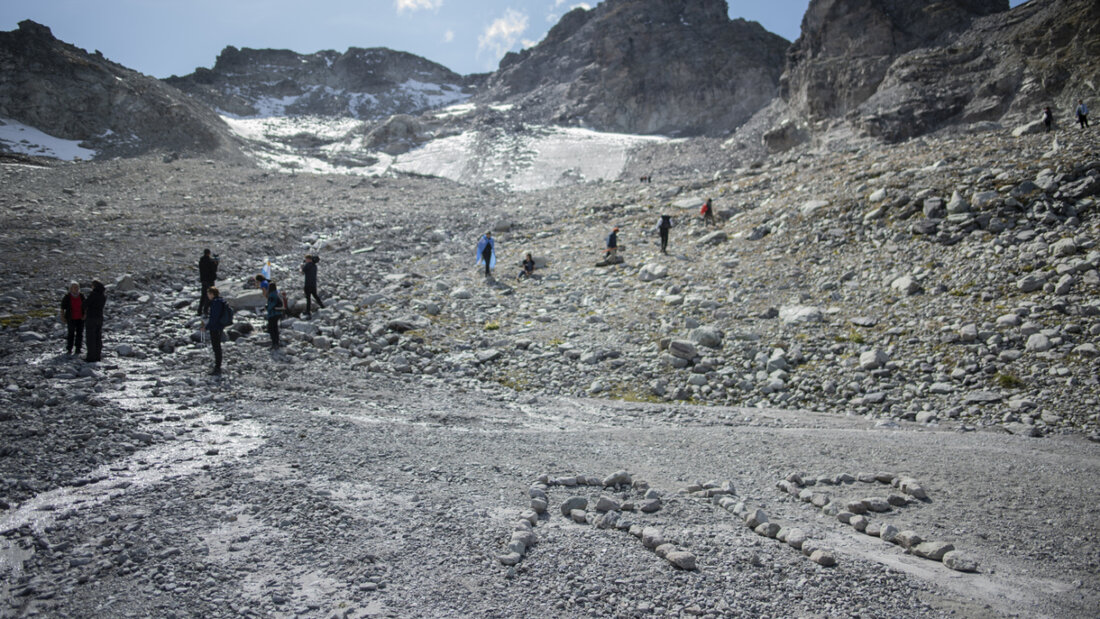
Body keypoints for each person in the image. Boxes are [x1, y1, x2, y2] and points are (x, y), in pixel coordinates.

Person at [202, 287, 229, 375]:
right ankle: (218, 366)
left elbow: (214, 318)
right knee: (217, 347)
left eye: (208, 294)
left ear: (212, 294)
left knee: (216, 347)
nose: (208, 296)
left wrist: (206, 327)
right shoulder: (220, 301)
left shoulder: (215, 303)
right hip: (219, 327)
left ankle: (217, 367)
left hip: (215, 327)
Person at [60, 281, 85, 357]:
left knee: (79, 334)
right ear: (70, 288)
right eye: (74, 287)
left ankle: (78, 348)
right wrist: (62, 317)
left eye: (77, 287)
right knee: (71, 333)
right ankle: (69, 348)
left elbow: (86, 306)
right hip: (71, 318)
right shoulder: (67, 296)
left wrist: (85, 315)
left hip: (80, 318)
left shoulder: (81, 296)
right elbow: (62, 308)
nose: (76, 289)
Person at [83, 279, 106, 362]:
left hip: (91, 317)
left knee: (90, 338)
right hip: (99, 317)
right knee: (98, 337)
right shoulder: (103, 295)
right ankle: (97, 355)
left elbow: (85, 304)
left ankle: (91, 357)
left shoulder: (93, 294)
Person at [300, 254, 324, 319]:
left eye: (306, 259)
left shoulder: (307, 265)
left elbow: (302, 272)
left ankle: (308, 311)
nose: (305, 260)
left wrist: (301, 267)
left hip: (307, 284)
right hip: (313, 284)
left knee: (308, 298)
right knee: (315, 295)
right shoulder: (315, 266)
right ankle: (322, 306)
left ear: (308, 259)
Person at [198, 249, 219, 317]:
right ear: (209, 253)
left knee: (203, 295)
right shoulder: (210, 261)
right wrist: (216, 264)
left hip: (203, 280)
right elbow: (214, 270)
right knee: (210, 295)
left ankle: (199, 310)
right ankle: (206, 310)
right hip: (210, 280)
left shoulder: (201, 260)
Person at [266, 281, 283, 349]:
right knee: (275, 328)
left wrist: (267, 308)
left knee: (271, 329)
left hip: (272, 314)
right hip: (278, 314)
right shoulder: (276, 294)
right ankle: (277, 342)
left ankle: (274, 343)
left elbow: (271, 306)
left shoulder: (271, 295)